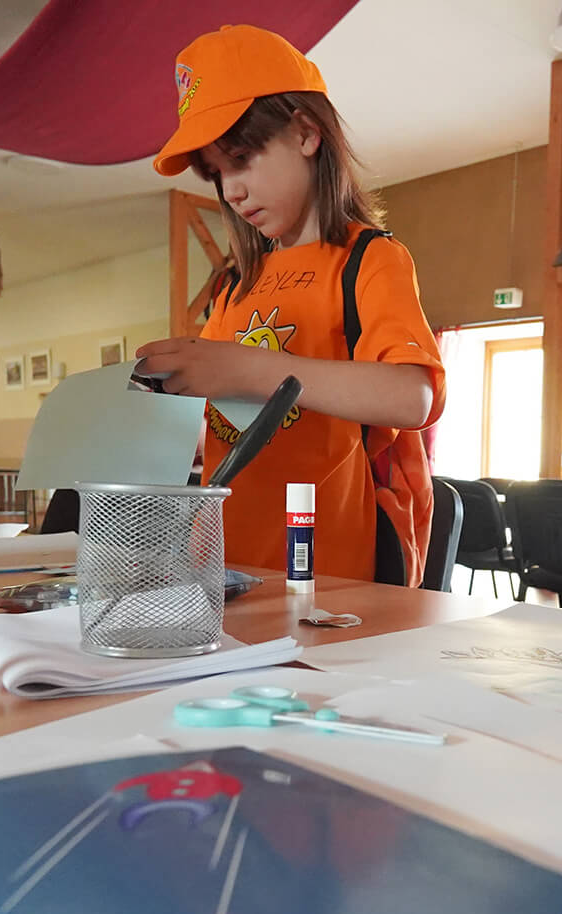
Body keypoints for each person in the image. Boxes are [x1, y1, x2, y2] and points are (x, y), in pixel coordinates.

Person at [135, 25, 444, 584]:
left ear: (305, 133)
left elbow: (412, 396)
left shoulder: (369, 259)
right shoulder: (235, 287)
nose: (231, 191)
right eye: (217, 174)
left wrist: (251, 369)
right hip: (228, 567)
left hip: (328, 576)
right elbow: (216, 431)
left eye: (242, 158)